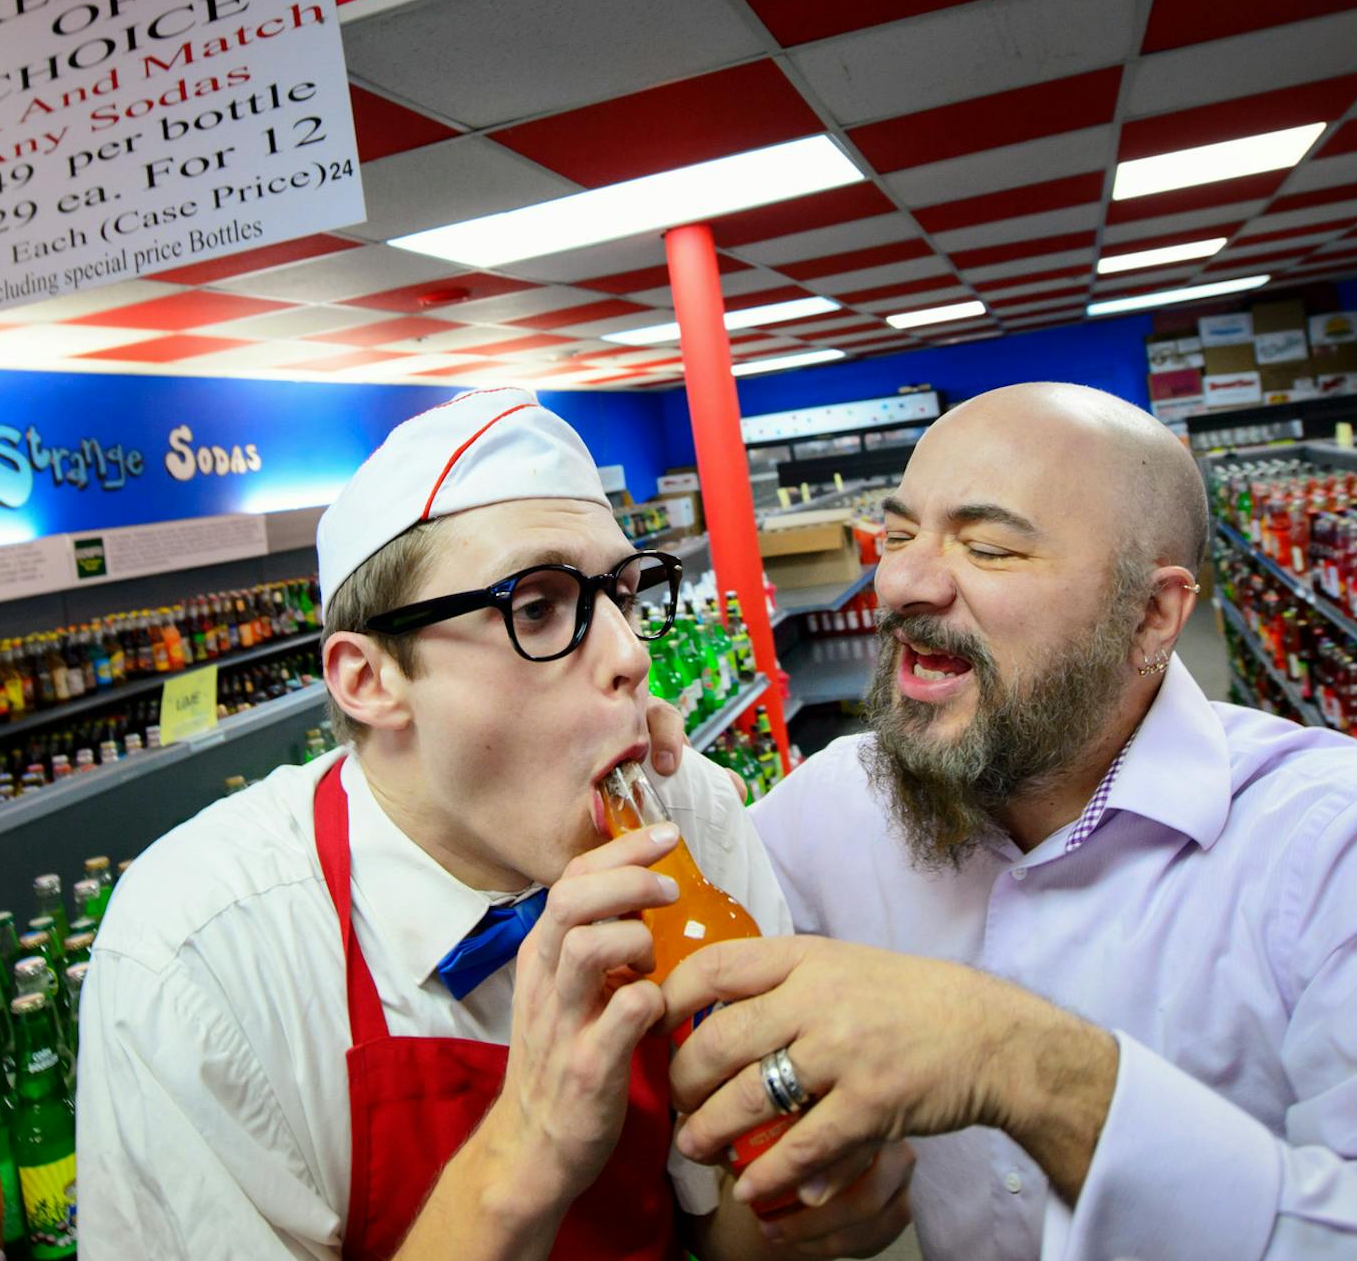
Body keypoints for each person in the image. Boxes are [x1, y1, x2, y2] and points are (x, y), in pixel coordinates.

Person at [660, 382, 1357, 1260]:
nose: (903, 582)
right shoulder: (837, 805)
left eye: (989, 545)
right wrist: (626, 727)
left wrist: (1022, 1063)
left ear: (1153, 615)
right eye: (897, 535)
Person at [75, 388, 913, 1260]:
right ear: (368, 679)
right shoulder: (199, 960)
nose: (632, 654)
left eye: (624, 596)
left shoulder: (684, 813)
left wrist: (809, 1198)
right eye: (538, 607)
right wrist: (527, 1150)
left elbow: (723, 1219)